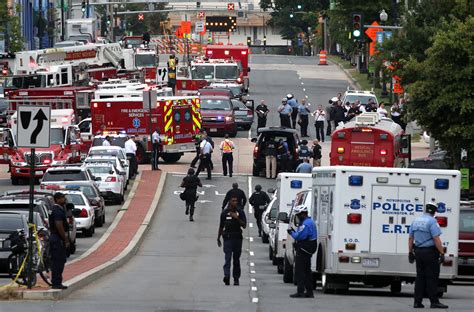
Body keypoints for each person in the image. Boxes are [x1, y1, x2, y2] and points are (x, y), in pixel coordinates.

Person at [408, 203, 448, 309]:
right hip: (430, 253)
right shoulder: (432, 221)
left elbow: (410, 238)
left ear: (425, 210)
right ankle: (434, 302)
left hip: (418, 252)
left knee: (420, 278)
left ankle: (417, 302)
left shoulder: (415, 221)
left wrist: (410, 252)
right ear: (434, 211)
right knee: (432, 277)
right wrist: (442, 252)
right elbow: (436, 239)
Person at [287, 205, 317, 298]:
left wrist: (291, 232)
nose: (298, 217)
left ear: (302, 214)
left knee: (300, 271)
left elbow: (299, 236)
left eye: (298, 215)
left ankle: (300, 291)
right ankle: (309, 292)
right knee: (307, 271)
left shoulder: (306, 224)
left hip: (304, 249)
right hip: (308, 249)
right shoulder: (309, 222)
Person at [217, 196, 247, 286]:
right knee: (228, 258)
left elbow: (244, 225)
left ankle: (236, 278)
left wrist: (237, 218)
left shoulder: (240, 212)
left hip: (237, 238)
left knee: (236, 259)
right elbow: (221, 226)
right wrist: (218, 238)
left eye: (236, 201)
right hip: (228, 238)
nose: (235, 202)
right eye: (233, 201)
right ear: (229, 202)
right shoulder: (224, 213)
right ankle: (227, 276)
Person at [49, 192, 70, 289]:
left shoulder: (58, 209)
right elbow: (59, 225)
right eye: (62, 198)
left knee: (60, 260)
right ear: (57, 199)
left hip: (55, 237)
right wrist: (65, 239)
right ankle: (56, 283)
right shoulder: (57, 210)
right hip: (57, 238)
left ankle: (57, 282)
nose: (64, 199)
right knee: (58, 261)